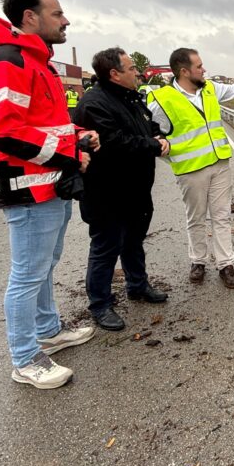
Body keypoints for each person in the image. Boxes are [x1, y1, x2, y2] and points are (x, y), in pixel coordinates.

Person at [0, 0, 100, 390]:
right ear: (30, 17)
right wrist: (68, 154)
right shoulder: (5, 62)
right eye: (57, 13)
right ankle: (25, 358)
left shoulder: (35, 62)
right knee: (27, 273)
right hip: (28, 189)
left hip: (51, 185)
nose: (66, 20)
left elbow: (40, 125)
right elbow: (3, 133)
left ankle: (48, 330)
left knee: (45, 265)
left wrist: (76, 136)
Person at [149, 48, 234, 288]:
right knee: (195, 218)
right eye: (199, 66)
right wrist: (176, 160)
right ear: (184, 71)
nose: (204, 69)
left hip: (219, 164)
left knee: (221, 216)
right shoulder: (162, 99)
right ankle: (198, 261)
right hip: (191, 170)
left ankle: (225, 263)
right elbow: (156, 138)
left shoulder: (209, 89)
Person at [72, 48, 170, 331]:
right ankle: (100, 304)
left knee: (134, 241)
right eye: (131, 69)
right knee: (106, 247)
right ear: (114, 74)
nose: (137, 73)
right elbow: (115, 142)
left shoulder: (131, 98)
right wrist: (153, 145)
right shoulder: (94, 104)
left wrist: (159, 138)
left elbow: (147, 126)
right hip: (106, 192)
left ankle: (138, 285)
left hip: (137, 188)